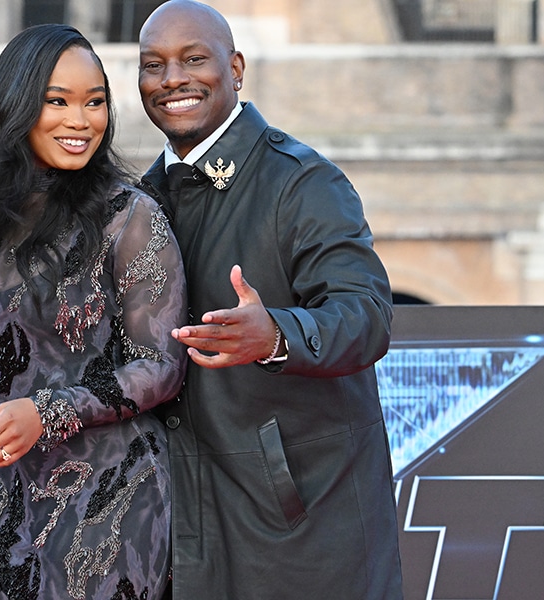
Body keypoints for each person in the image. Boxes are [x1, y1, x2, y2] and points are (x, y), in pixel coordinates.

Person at [0, 24, 187, 600]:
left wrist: (47, 412)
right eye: (57, 101)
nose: (81, 121)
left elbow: (160, 365)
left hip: (113, 497)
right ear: (18, 107)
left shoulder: (130, 217)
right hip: (1, 495)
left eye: (95, 102)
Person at [136, 2, 404, 598]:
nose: (171, 78)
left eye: (193, 59)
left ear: (235, 68)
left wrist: (276, 335)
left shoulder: (303, 181)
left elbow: (366, 314)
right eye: (153, 64)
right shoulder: (136, 201)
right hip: (179, 520)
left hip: (301, 526)